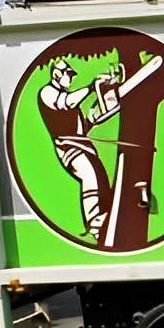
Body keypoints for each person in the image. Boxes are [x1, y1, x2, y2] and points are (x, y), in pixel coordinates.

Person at [37, 58, 111, 239]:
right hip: (68, 146)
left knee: (101, 178)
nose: (71, 79)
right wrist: (92, 88)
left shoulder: (68, 97)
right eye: (68, 75)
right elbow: (66, 103)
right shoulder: (48, 92)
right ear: (56, 75)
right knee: (90, 177)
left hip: (83, 145)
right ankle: (94, 223)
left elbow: (84, 126)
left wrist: (102, 110)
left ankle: (103, 218)